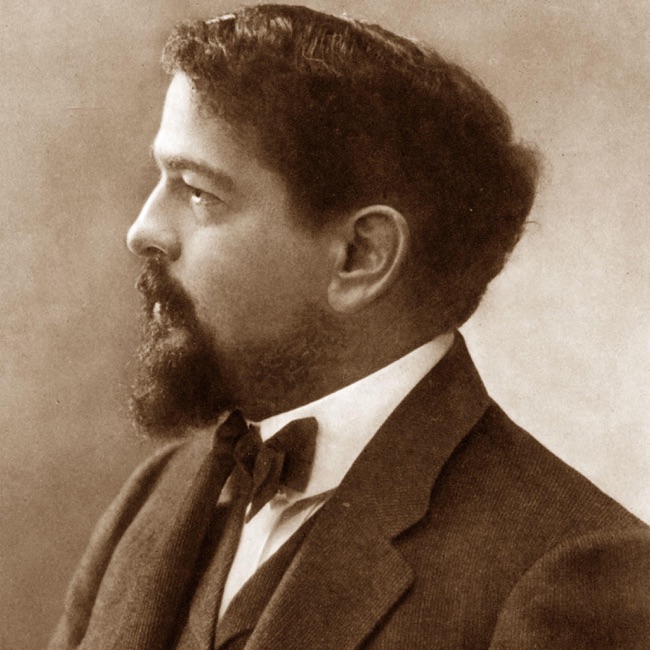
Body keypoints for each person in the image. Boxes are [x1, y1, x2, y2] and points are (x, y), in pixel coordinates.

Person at [49, 5, 650, 649]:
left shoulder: (576, 572)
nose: (142, 230)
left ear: (360, 256)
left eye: (199, 191)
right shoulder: (154, 495)